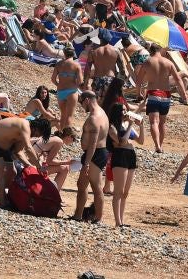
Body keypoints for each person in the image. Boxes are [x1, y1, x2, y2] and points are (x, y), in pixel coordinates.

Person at [0, 117, 48, 209]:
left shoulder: (25, 133)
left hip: (3, 149)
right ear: (37, 128)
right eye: (38, 134)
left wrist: (30, 166)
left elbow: (18, 152)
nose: (36, 136)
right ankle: (2, 202)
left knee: (12, 172)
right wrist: (38, 165)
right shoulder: (24, 125)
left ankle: (0, 194)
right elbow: (28, 148)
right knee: (1, 171)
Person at [137, 44, 188, 153]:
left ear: (150, 51)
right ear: (160, 50)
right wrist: (184, 95)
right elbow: (178, 80)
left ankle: (157, 145)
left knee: (154, 122)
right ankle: (160, 145)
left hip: (153, 94)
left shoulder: (147, 62)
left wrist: (139, 93)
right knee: (162, 123)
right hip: (166, 95)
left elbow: (139, 79)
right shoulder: (168, 62)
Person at [73, 91, 109, 223]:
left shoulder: (94, 118)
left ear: (87, 100)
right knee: (82, 184)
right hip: (97, 153)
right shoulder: (102, 113)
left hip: (94, 154)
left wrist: (86, 163)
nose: (81, 106)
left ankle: (98, 219)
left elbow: (93, 144)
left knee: (96, 186)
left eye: (81, 102)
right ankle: (78, 215)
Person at [108, 103, 145, 228]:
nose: (125, 112)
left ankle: (121, 221)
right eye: (123, 110)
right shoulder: (112, 127)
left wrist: (142, 126)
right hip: (120, 155)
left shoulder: (126, 125)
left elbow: (140, 141)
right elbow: (122, 142)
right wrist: (130, 124)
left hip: (130, 155)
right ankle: (118, 222)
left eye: (126, 109)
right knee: (118, 191)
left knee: (125, 192)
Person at [51, 46, 82, 130]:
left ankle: (61, 133)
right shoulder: (76, 65)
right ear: (73, 54)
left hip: (61, 91)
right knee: (69, 116)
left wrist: (58, 85)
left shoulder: (59, 64)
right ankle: (66, 137)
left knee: (63, 115)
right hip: (71, 91)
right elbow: (80, 81)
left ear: (64, 54)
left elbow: (53, 79)